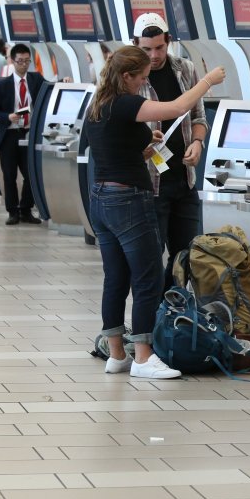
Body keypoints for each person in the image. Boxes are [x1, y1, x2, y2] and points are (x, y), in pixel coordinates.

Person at [82, 45, 224, 381]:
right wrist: (207, 81)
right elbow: (178, 107)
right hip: (129, 200)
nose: (145, 82)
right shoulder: (126, 102)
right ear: (126, 76)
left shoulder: (98, 106)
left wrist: (147, 148)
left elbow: (117, 154)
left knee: (115, 278)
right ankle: (144, 357)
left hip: (101, 199)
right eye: (142, 77)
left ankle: (116, 353)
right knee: (147, 279)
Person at [131, 12, 213, 290]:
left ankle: (171, 312)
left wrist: (197, 142)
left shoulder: (185, 69)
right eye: (146, 49)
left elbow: (199, 117)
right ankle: (154, 316)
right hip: (149, 183)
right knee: (151, 257)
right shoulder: (130, 77)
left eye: (159, 47)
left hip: (184, 178)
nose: (154, 56)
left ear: (168, 41)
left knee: (185, 257)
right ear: (135, 45)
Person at [0, 44, 44, 225]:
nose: (24, 65)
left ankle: (26, 208)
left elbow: (50, 92)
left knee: (30, 173)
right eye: (20, 61)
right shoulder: (2, 84)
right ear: (12, 61)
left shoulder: (36, 79)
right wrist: (7, 117)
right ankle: (12, 211)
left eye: (27, 61)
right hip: (9, 135)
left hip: (28, 134)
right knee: (9, 175)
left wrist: (64, 81)